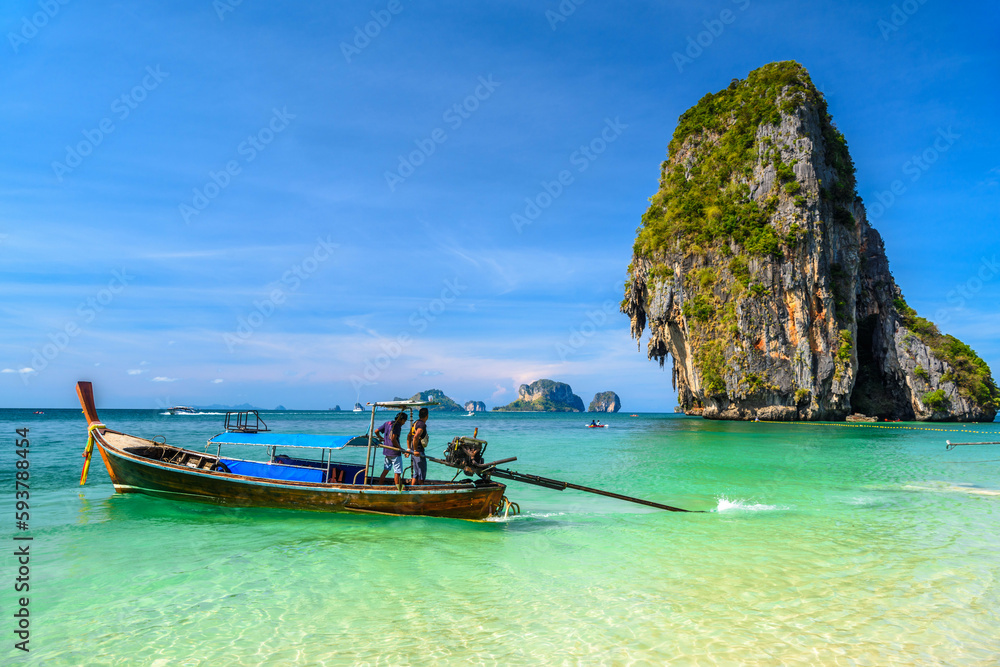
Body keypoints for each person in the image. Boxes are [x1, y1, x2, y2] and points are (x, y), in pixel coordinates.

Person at [377, 411, 407, 491]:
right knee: (397, 472)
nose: (404, 423)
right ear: (401, 420)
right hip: (394, 452)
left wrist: (381, 438)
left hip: (387, 451)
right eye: (404, 421)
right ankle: (398, 490)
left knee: (385, 470)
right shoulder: (397, 425)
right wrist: (401, 449)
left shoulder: (387, 423)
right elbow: (393, 439)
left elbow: (376, 431)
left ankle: (379, 487)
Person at [408, 408, 429, 485]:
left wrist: (409, 449)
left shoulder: (415, 423)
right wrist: (416, 450)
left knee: (416, 473)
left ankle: (412, 490)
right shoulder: (421, 424)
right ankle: (421, 491)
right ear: (427, 416)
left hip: (414, 452)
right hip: (418, 452)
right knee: (421, 473)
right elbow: (416, 436)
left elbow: (409, 435)